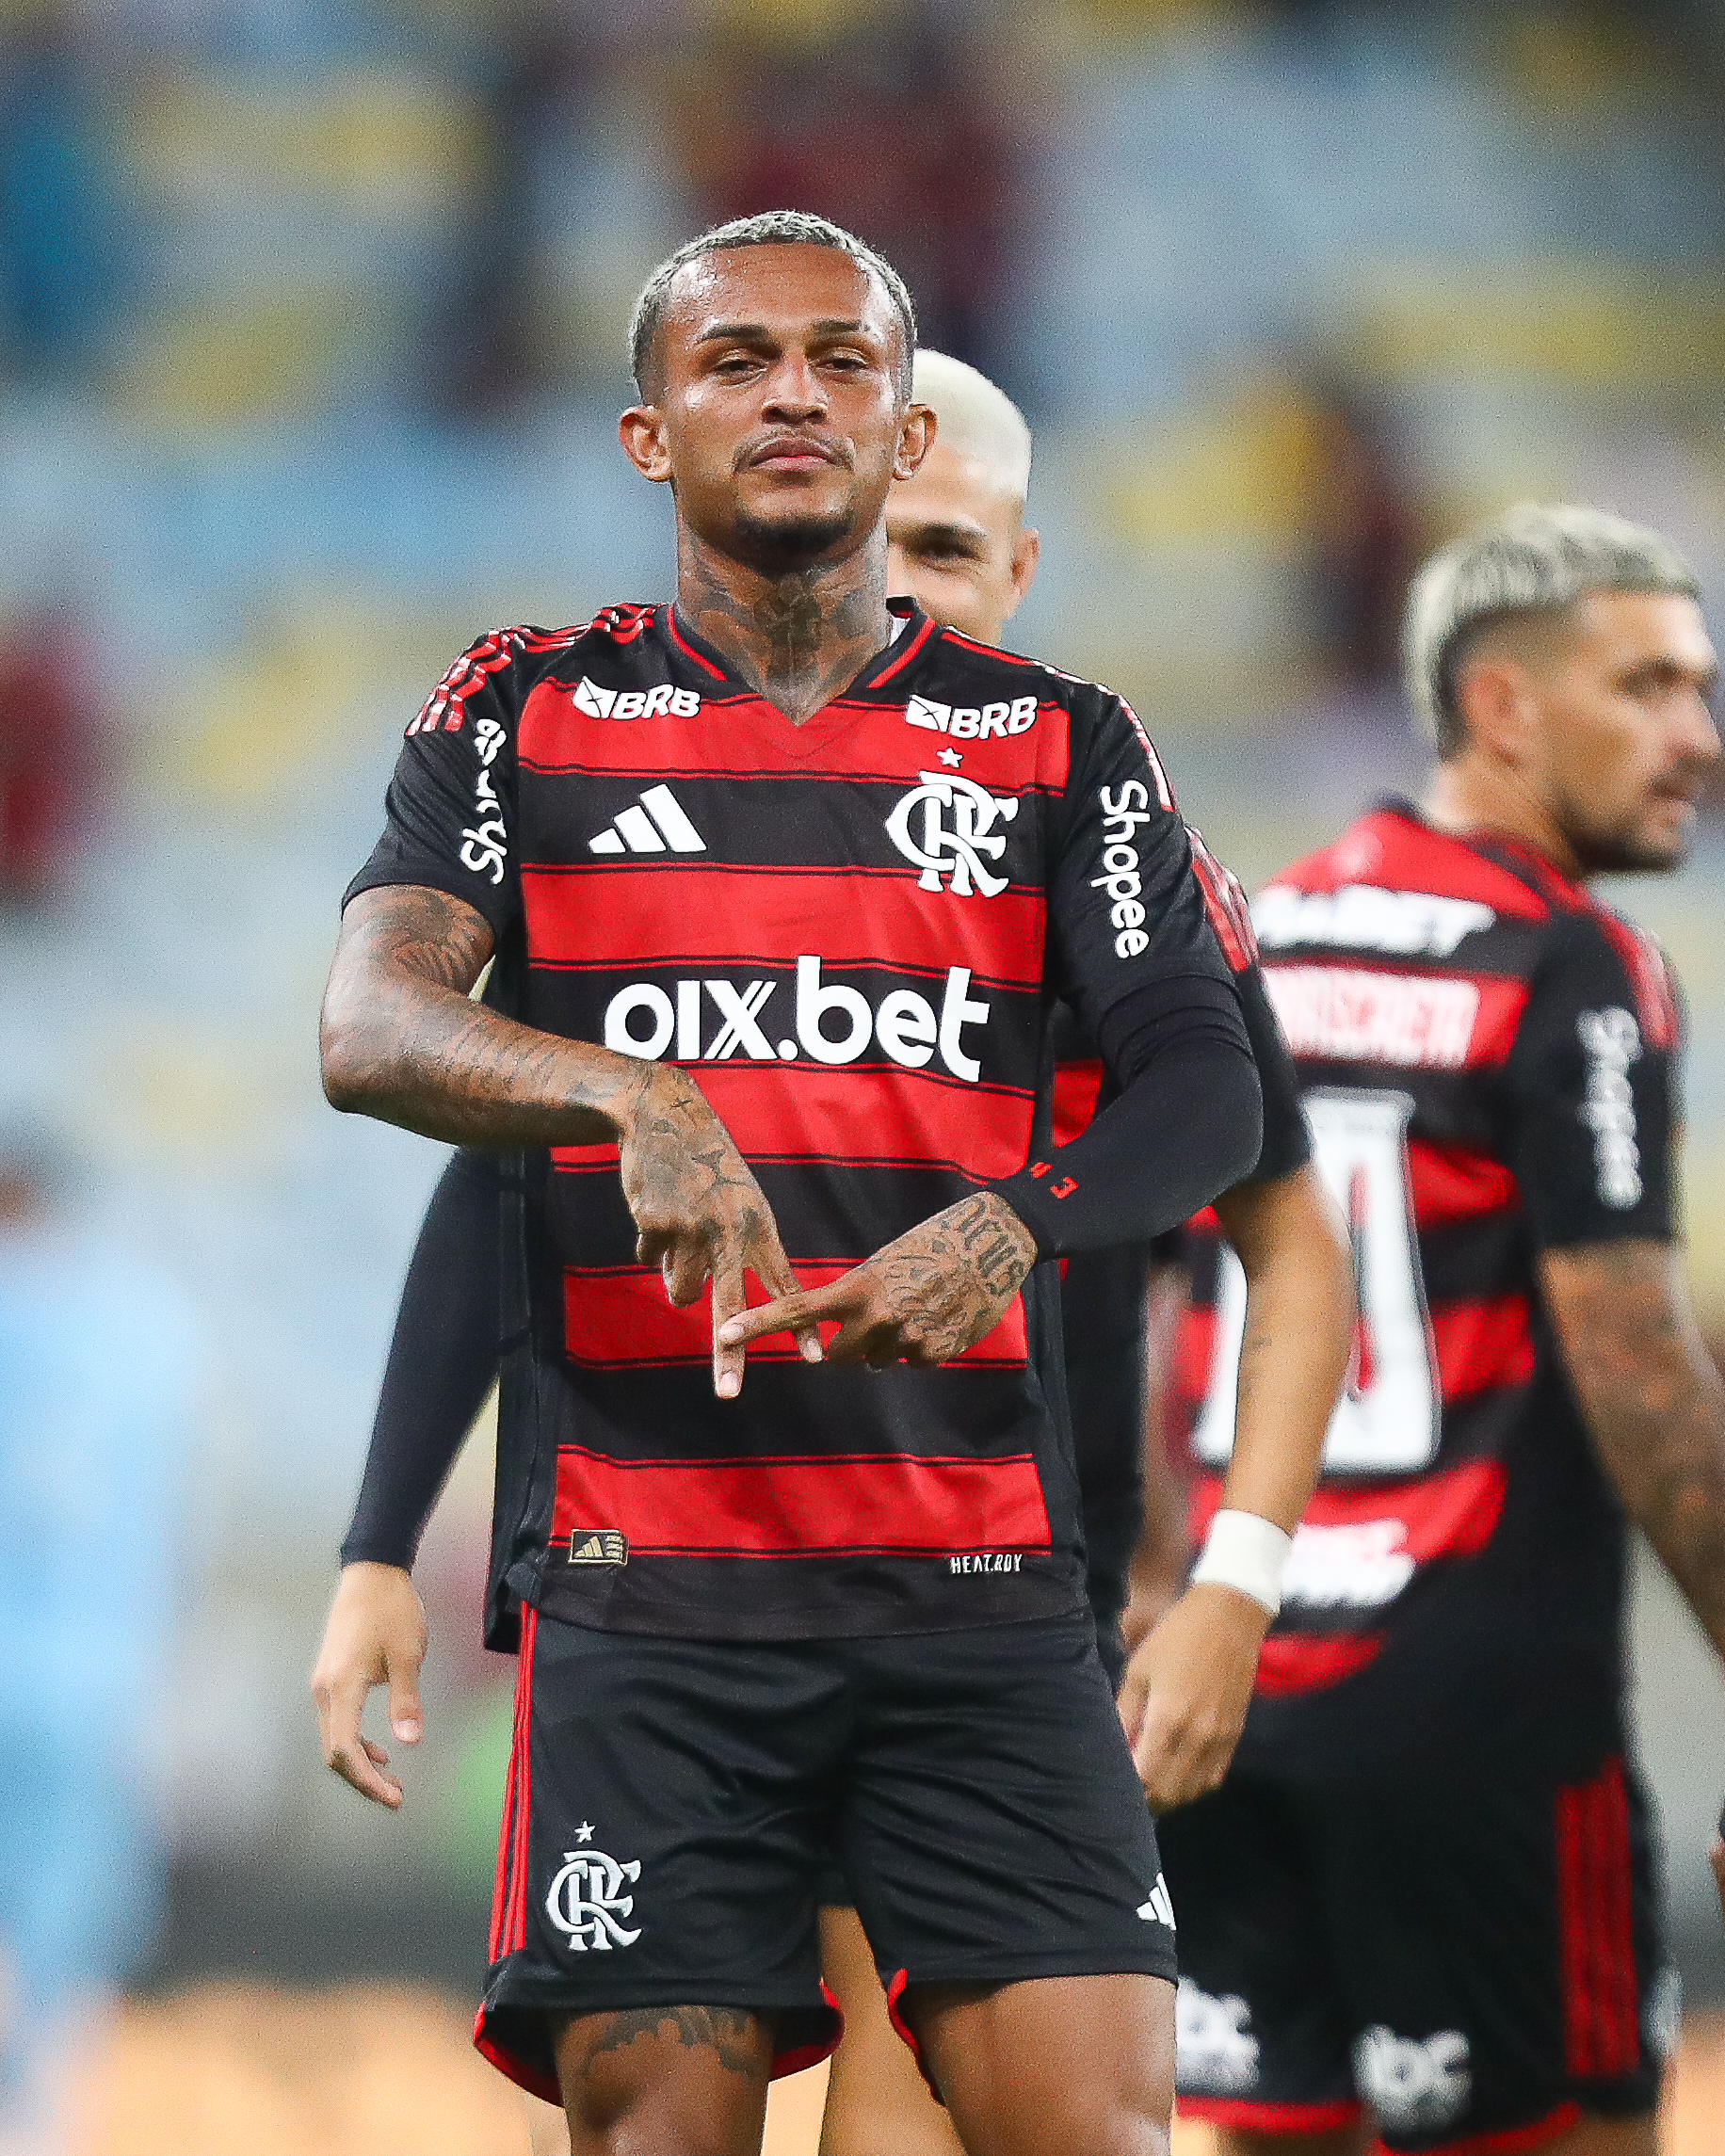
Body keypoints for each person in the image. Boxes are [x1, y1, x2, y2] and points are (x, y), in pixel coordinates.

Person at [316, 210, 1272, 2156]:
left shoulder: (1058, 744)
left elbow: (1202, 1089)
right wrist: (630, 1095)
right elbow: (373, 1025)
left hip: (980, 1592)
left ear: (907, 434)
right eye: (736, 358)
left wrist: (1021, 1213)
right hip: (647, 1601)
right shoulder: (519, 711)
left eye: (844, 361)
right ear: (645, 435)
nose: (793, 393)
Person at [1155, 503, 1725, 2156]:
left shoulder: (1258, 934)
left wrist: (1153, 1594)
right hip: (1477, 1728)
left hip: (1239, 1690)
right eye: (1651, 686)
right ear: (1504, 707)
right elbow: (1638, 1366)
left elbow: (1152, 1298)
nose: (1697, 733)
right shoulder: (1570, 962)